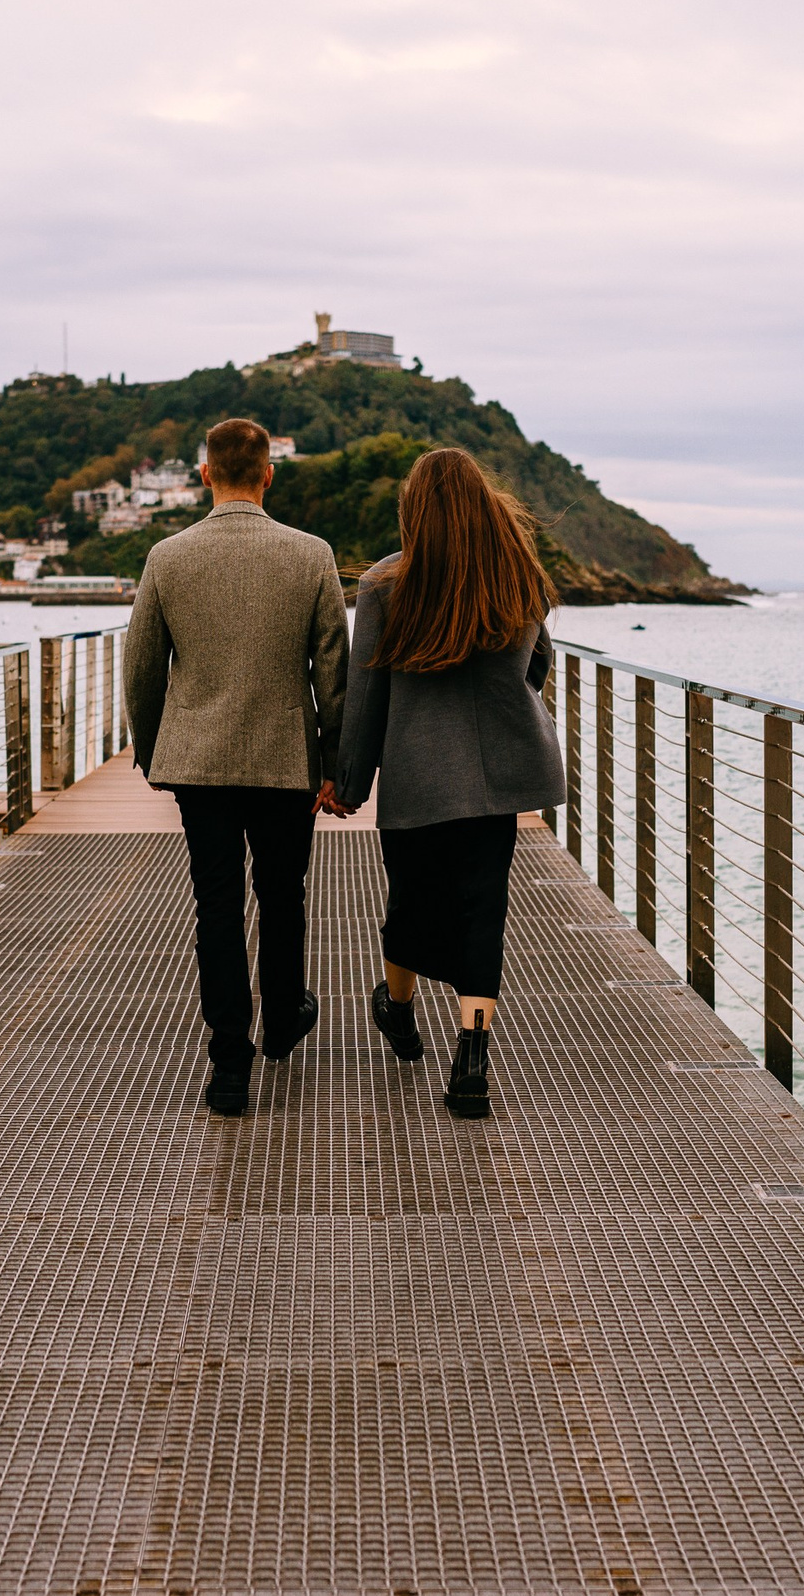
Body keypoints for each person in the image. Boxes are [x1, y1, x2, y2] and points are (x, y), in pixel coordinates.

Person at [124, 417, 350, 1118]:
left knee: (216, 904)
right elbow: (334, 671)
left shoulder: (167, 557)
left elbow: (140, 667)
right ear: (268, 475)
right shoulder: (311, 554)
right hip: (286, 758)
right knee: (283, 896)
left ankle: (229, 1063)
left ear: (204, 476)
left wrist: (154, 750)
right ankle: (282, 1021)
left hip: (200, 762)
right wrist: (335, 761)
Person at [334, 447, 564, 1119]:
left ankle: (399, 1011)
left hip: (417, 773)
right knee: (481, 908)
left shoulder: (384, 583)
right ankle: (471, 1059)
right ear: (482, 502)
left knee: (410, 900)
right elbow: (538, 668)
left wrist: (348, 782)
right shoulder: (517, 574)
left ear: (414, 509)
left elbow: (365, 695)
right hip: (495, 777)